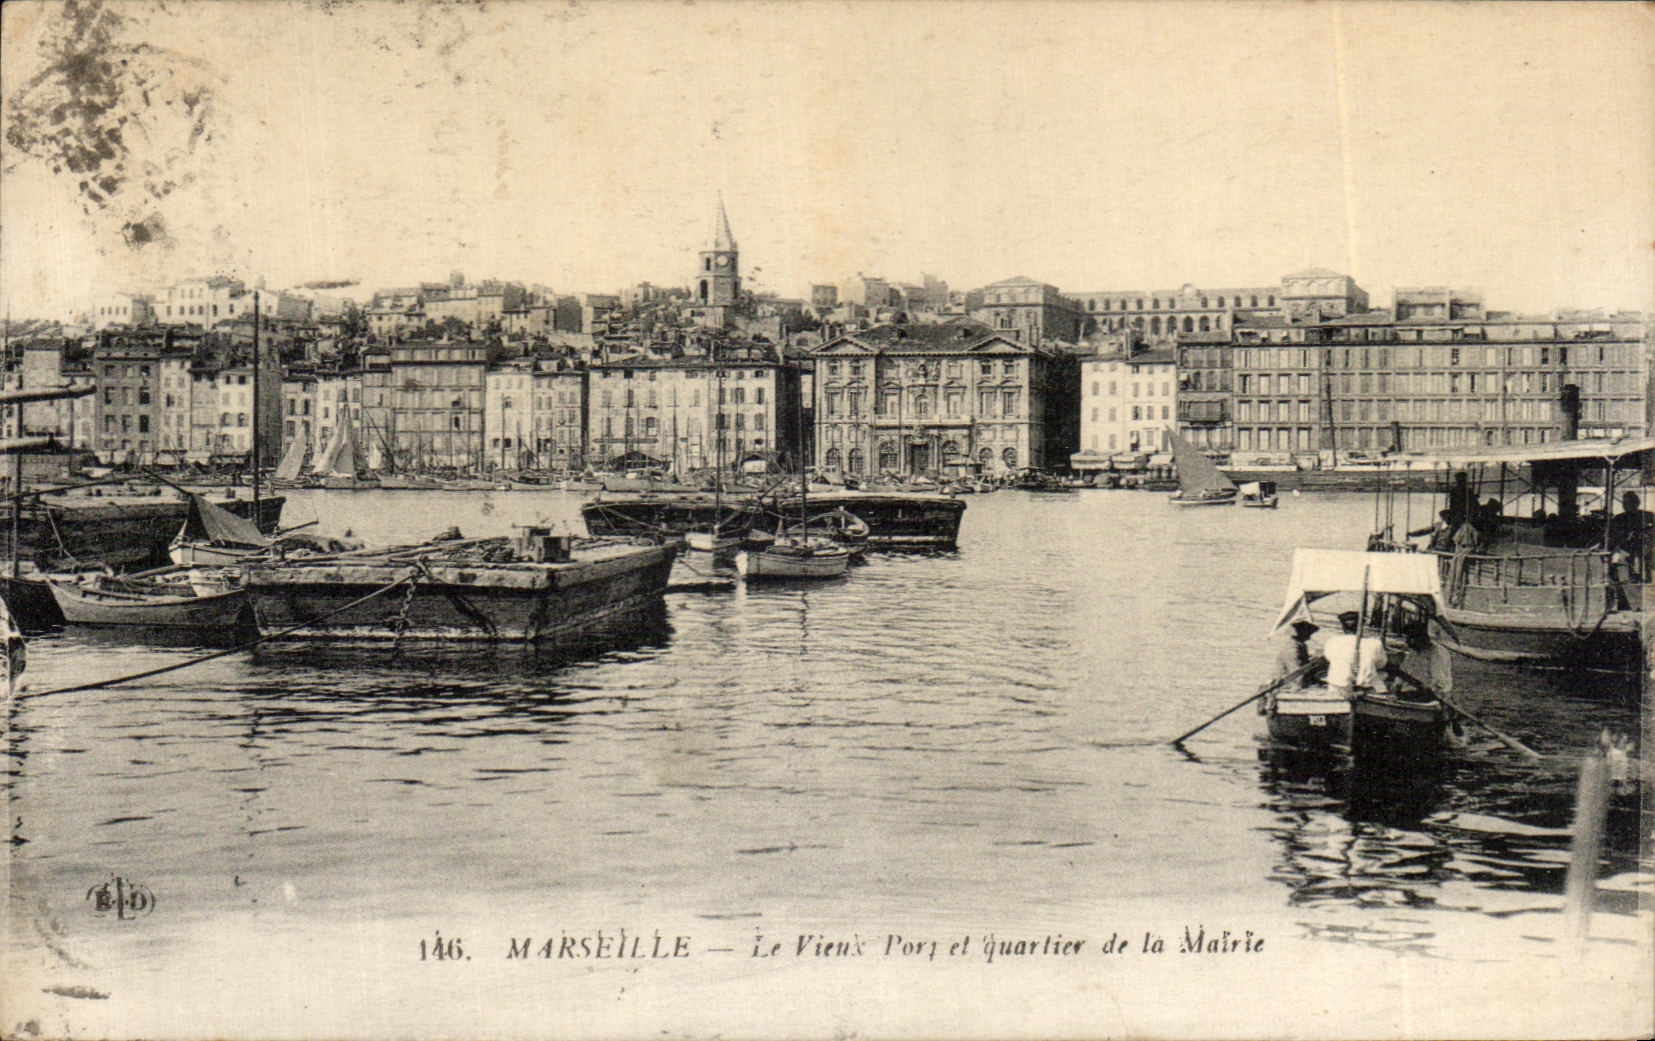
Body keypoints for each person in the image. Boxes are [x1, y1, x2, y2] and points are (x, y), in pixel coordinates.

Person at [1322, 610, 1387, 701]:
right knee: (1382, 676)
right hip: (1365, 688)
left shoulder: (1332, 641)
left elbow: (1329, 658)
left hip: (1339, 687)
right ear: (1361, 626)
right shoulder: (1375, 643)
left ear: (1342, 626)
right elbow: (1381, 664)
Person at [1606, 491, 1653, 582]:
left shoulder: (1646, 516)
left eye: (1628, 503)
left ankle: (1644, 575)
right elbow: (1614, 534)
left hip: (1642, 546)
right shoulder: (1619, 518)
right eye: (1624, 503)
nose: (1625, 505)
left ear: (1636, 503)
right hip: (1624, 546)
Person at [1272, 619, 1321, 687]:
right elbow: (1295, 673)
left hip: (1295, 679)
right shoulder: (1292, 648)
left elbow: (1303, 661)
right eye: (1309, 632)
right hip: (1286, 683)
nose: (1310, 636)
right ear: (1301, 632)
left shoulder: (1299, 645)